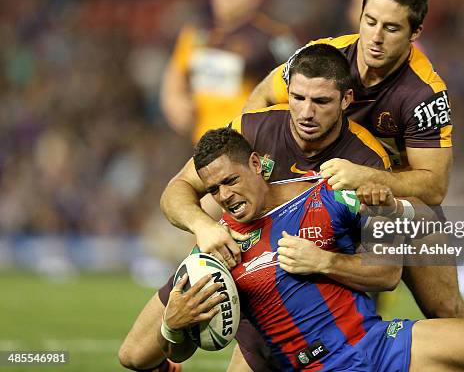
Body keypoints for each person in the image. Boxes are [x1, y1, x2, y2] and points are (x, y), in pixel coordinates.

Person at [159, 127, 464, 372]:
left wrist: (385, 206)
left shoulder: (322, 197)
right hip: (318, 366)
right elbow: (191, 345)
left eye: (229, 181)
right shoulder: (217, 250)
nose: (224, 195)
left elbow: (390, 271)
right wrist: (173, 327)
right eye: (213, 190)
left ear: (255, 164)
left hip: (381, 345)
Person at [119, 44, 395, 372]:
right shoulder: (256, 129)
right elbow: (176, 190)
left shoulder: (366, 159)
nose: (306, 112)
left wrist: (324, 261)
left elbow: (383, 264)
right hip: (232, 255)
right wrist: (204, 226)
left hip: (299, 287)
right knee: (134, 355)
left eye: (320, 101)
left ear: (344, 100)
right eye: (298, 98)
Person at [243, 0, 464, 324]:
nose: (376, 38)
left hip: (390, 205)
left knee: (446, 312)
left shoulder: (423, 95)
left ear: (415, 33)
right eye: (370, 22)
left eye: (392, 28)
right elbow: (259, 101)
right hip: (315, 195)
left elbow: (434, 186)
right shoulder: (323, 58)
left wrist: (364, 176)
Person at [160, 0, 297, 142]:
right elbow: (175, 74)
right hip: (203, 144)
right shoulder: (197, 33)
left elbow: (300, 83)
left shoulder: (274, 37)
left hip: (251, 145)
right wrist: (174, 100)